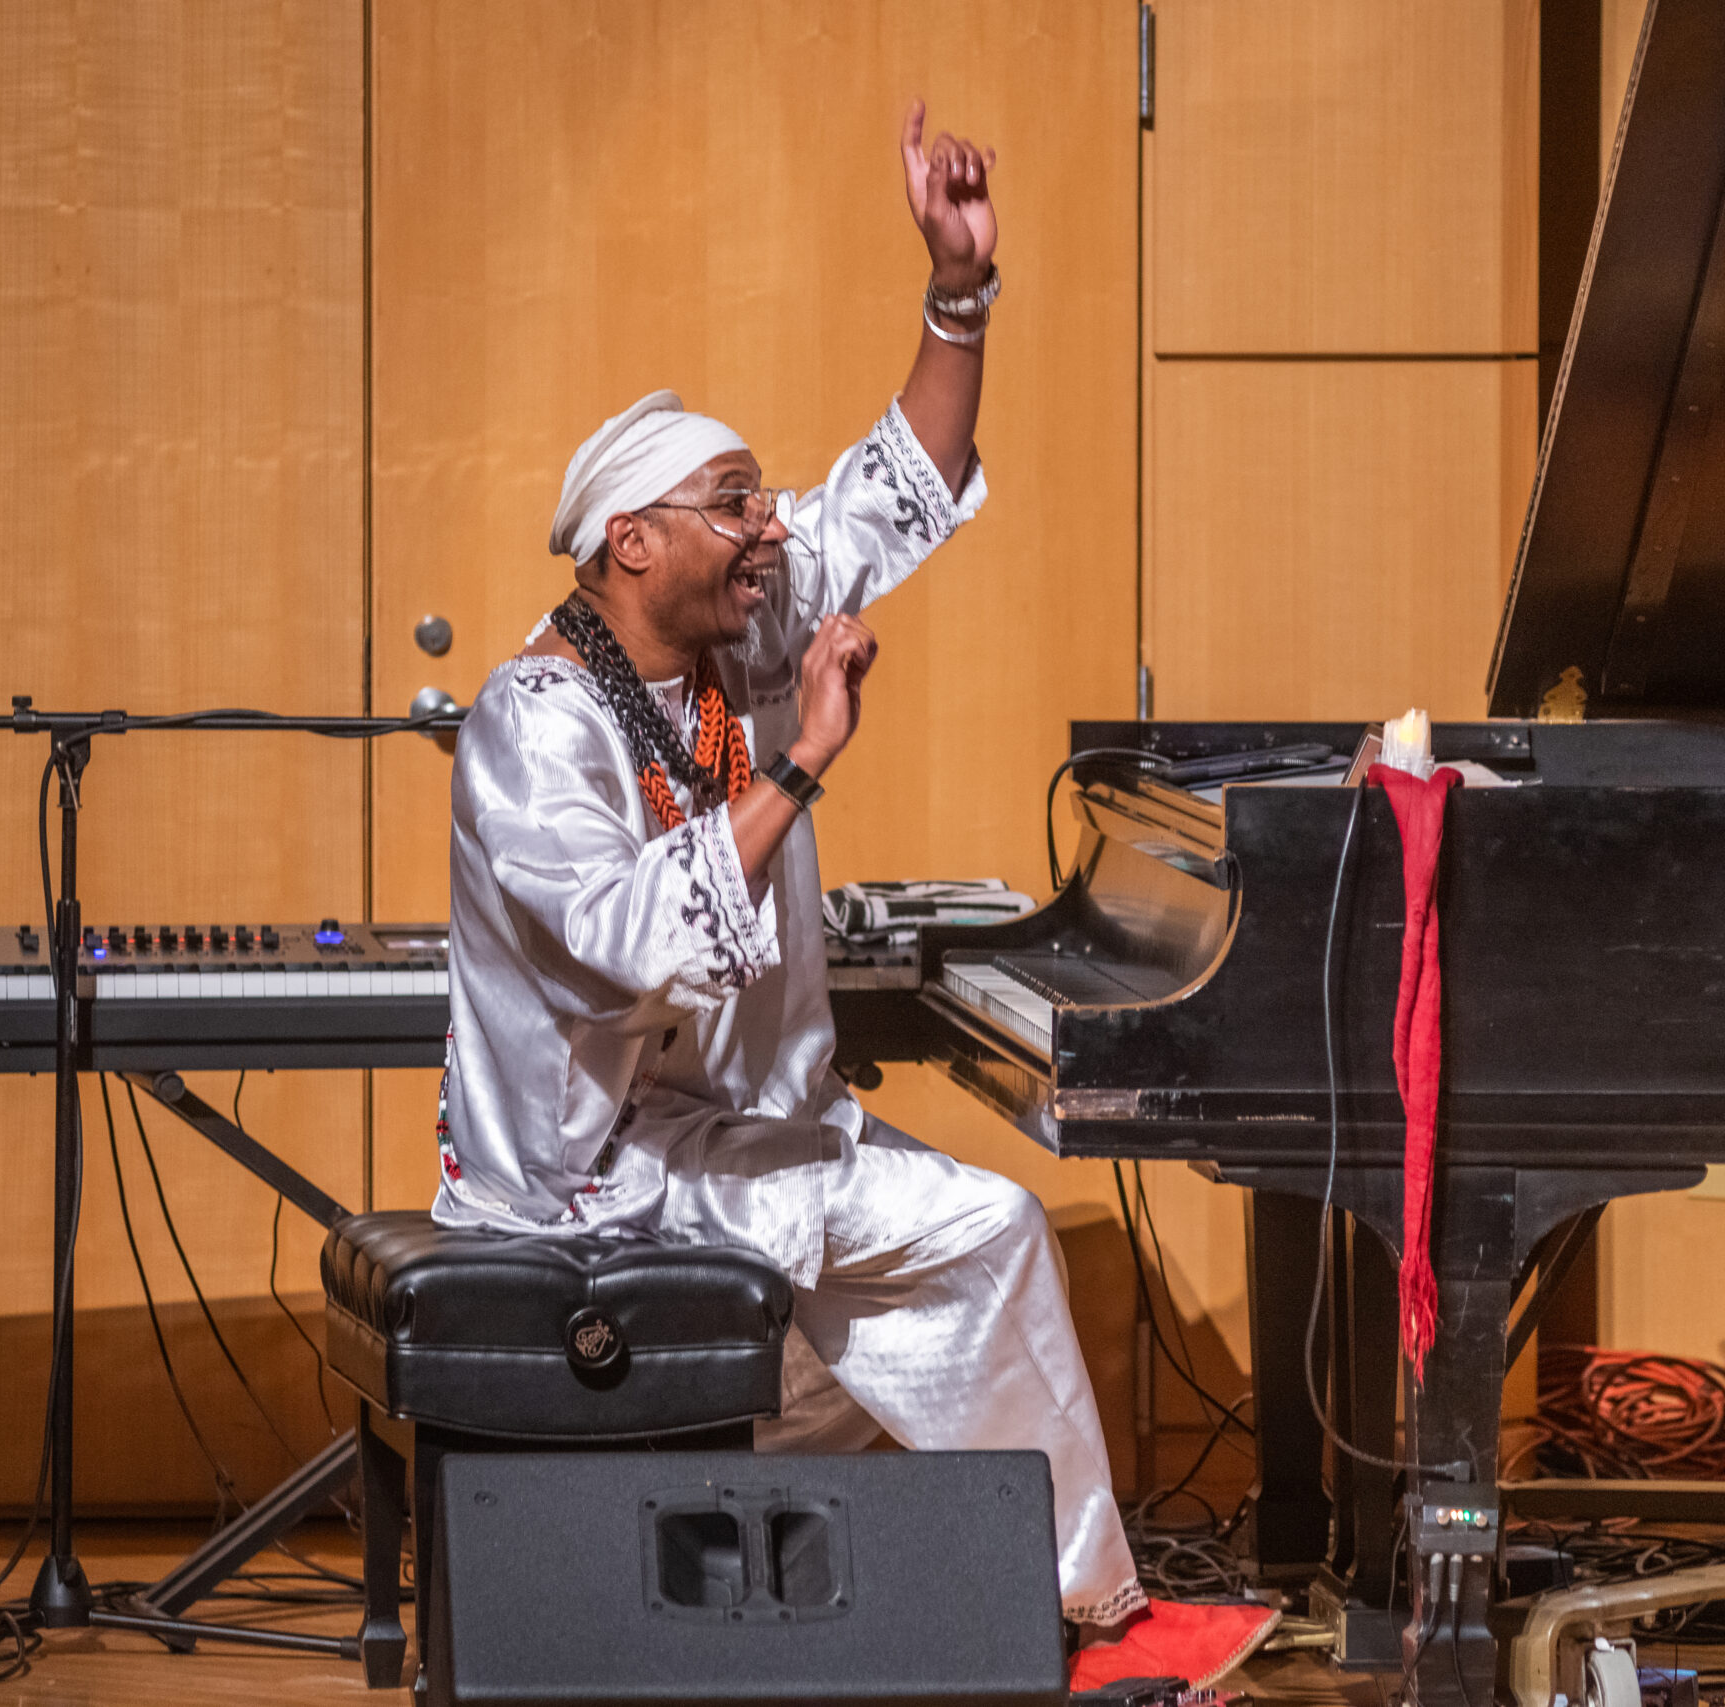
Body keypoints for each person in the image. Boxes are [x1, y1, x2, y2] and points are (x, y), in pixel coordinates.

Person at [430, 101, 1146, 1629]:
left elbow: (900, 485)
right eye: (736, 503)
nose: (770, 528)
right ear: (632, 541)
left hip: (753, 1129)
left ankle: (1063, 1609)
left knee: (993, 1236)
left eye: (762, 503)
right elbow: (634, 939)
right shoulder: (532, 725)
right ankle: (756, 1585)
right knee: (895, 1285)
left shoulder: (737, 624)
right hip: (593, 1183)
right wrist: (807, 758)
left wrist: (958, 292)